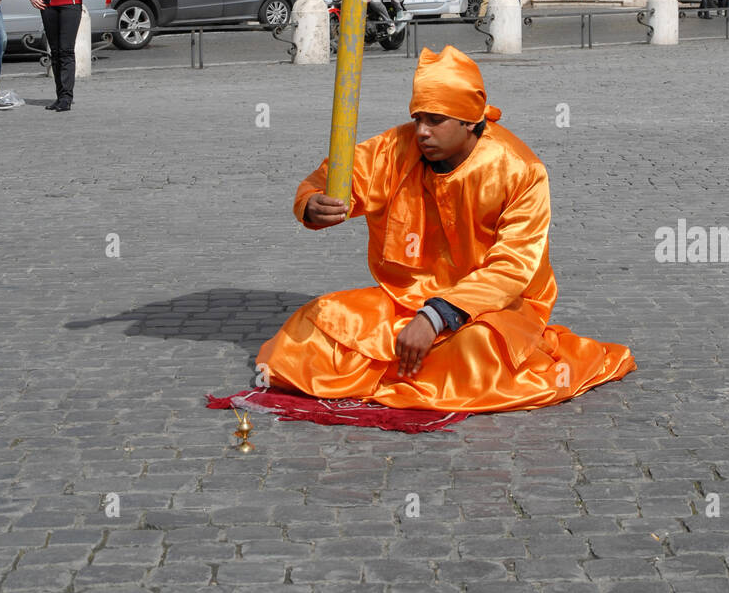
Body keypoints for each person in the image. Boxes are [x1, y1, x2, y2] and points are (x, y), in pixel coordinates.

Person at [254, 46, 636, 413]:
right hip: (403, 300)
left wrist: (435, 317)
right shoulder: (395, 148)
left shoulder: (520, 169)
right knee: (315, 321)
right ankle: (406, 369)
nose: (421, 131)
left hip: (494, 308)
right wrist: (311, 202)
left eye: (435, 121)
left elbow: (512, 267)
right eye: (418, 117)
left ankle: (395, 369)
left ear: (469, 121)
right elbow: (333, 177)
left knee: (479, 349)